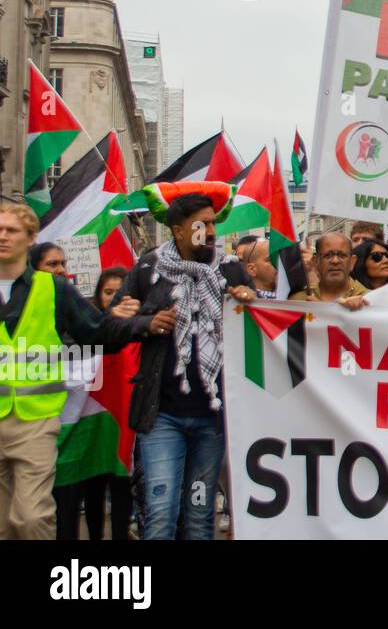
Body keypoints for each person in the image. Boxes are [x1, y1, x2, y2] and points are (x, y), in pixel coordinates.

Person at [0, 204, 160, 540]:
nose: (2, 236)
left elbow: (96, 333)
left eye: (11, 230)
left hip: (34, 423)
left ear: (30, 238)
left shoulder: (54, 289)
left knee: (30, 519)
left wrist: (135, 324)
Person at [111, 192, 254, 541]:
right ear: (177, 230)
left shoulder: (230, 268)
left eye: (213, 224)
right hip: (162, 417)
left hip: (213, 418)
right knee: (160, 513)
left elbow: (260, 327)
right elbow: (113, 324)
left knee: (200, 513)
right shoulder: (147, 269)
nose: (209, 232)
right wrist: (146, 323)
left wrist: (249, 303)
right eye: (201, 225)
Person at [57, 268, 136, 541]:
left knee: (121, 485)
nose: (114, 298)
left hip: (122, 427)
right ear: (98, 294)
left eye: (119, 292)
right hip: (87, 427)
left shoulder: (141, 328)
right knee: (92, 490)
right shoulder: (81, 330)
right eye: (108, 292)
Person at [289, 232, 369, 308]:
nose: (335, 261)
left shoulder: (368, 300)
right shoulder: (297, 301)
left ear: (352, 262)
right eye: (328, 255)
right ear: (315, 262)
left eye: (342, 255)